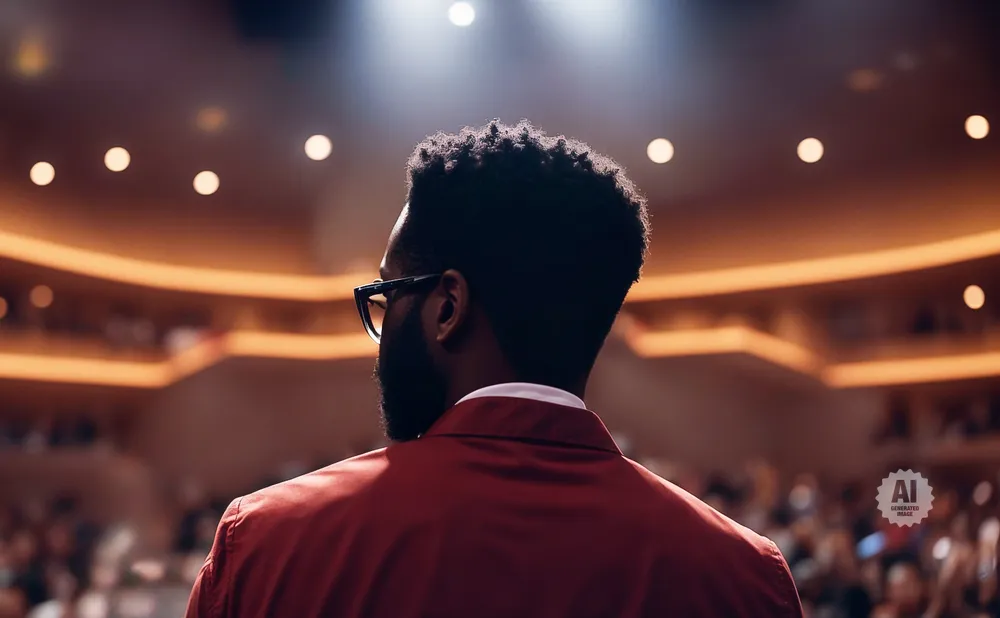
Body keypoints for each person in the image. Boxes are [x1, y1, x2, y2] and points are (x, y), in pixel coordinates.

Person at [184, 120, 803, 618]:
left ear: (447, 306)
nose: (381, 332)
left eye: (390, 294)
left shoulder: (266, 546)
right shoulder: (746, 580)